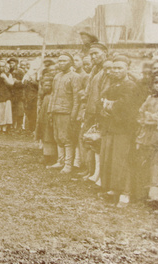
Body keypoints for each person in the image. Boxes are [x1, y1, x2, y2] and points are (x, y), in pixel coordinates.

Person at [99, 55, 142, 208]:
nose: (116, 71)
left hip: (124, 128)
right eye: (114, 68)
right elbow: (103, 100)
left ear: (127, 69)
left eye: (120, 68)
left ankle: (126, 192)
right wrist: (106, 106)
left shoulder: (130, 85)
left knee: (123, 160)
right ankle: (114, 188)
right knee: (111, 158)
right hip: (112, 126)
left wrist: (109, 105)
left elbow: (126, 106)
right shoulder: (113, 85)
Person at [135, 70, 158, 206]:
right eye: (156, 82)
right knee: (146, 162)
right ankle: (146, 193)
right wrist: (147, 117)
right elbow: (140, 113)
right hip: (146, 135)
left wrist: (148, 117)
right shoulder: (150, 98)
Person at [80, 42, 110, 184]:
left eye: (96, 53)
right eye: (91, 54)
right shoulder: (94, 70)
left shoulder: (107, 69)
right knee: (91, 141)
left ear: (105, 53)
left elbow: (105, 92)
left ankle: (99, 174)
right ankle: (91, 171)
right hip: (90, 111)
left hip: (100, 112)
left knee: (99, 143)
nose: (93, 56)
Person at [47, 53, 81, 173]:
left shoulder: (75, 77)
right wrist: (50, 110)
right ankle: (60, 161)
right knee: (57, 137)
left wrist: (74, 114)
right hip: (56, 111)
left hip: (67, 112)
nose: (61, 63)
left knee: (67, 139)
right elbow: (53, 94)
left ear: (71, 63)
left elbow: (77, 98)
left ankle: (68, 164)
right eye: (60, 61)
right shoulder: (57, 76)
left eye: (64, 61)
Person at [7, 57, 25, 131]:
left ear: (16, 63)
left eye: (12, 63)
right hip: (11, 94)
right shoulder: (9, 72)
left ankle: (19, 126)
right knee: (12, 110)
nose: (11, 65)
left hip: (19, 94)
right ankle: (12, 126)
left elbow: (24, 83)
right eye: (10, 63)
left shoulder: (20, 71)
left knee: (19, 110)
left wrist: (16, 82)